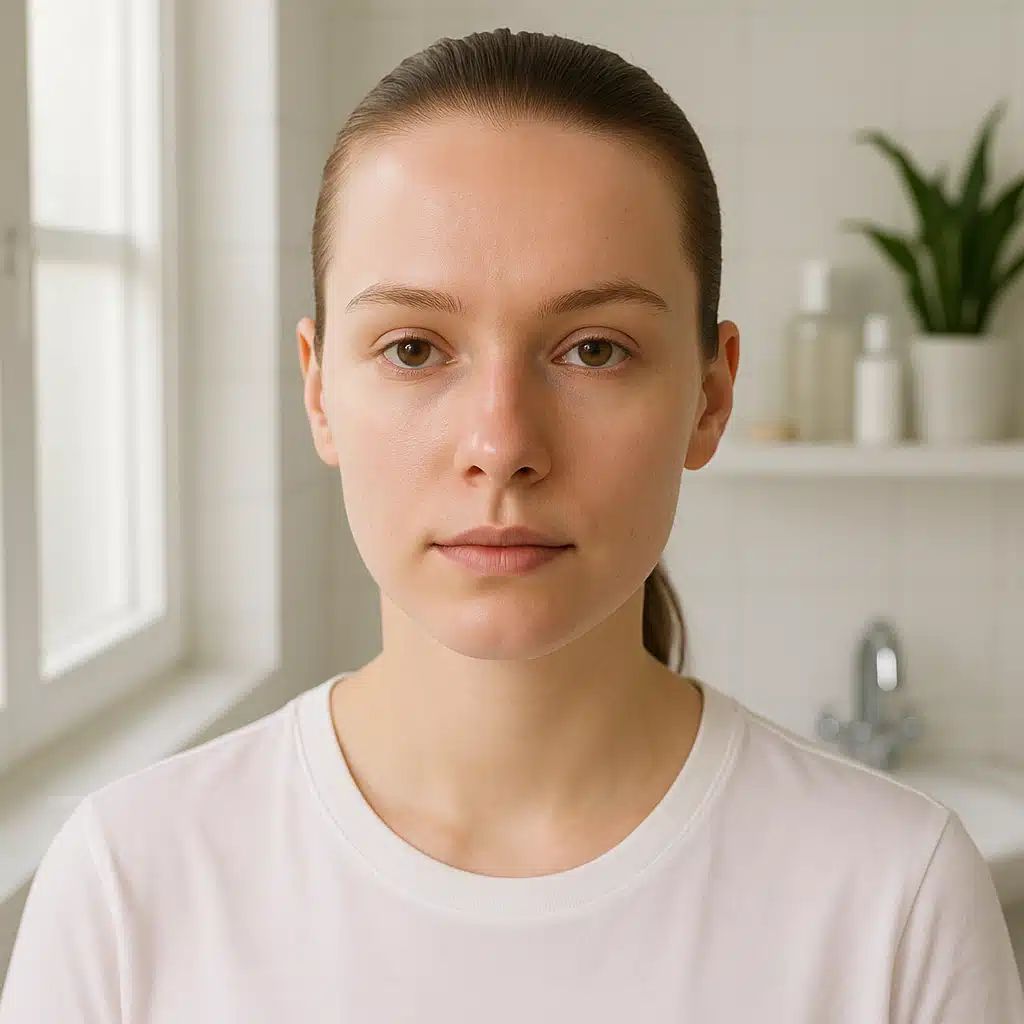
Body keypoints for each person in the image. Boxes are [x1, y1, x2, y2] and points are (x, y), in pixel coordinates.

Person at [2, 26, 1022, 1023]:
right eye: (412, 349)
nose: (501, 442)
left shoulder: (896, 900)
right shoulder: (128, 887)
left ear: (709, 397)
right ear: (317, 390)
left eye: (592, 350)